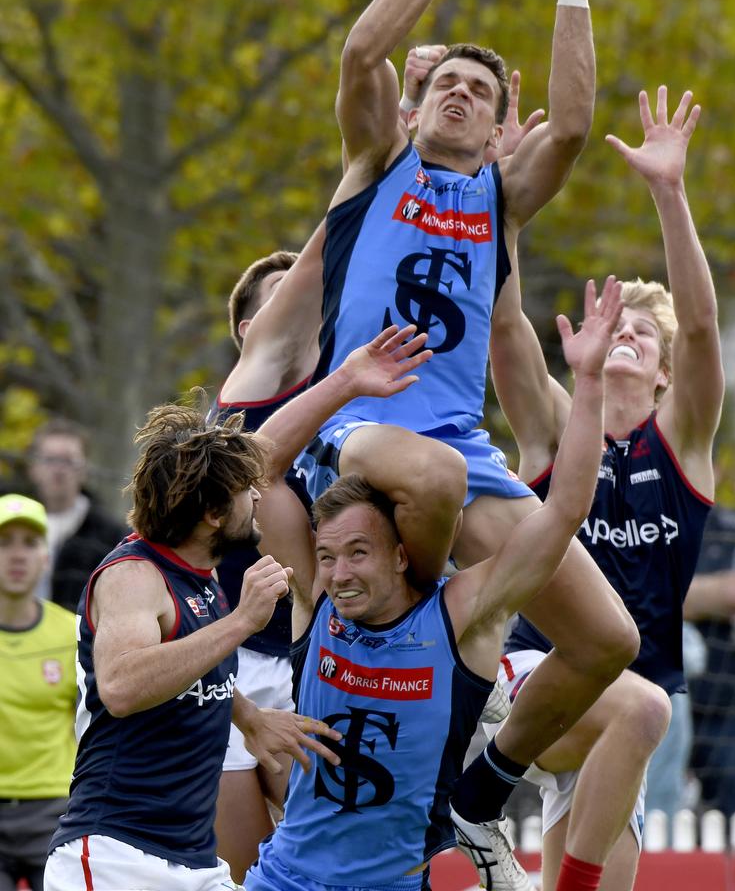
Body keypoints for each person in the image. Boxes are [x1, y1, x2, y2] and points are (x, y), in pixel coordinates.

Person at [292, 0, 643, 867]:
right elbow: (363, 52)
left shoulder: (498, 200)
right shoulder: (373, 165)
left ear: (496, 131)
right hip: (357, 431)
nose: (458, 89)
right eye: (443, 80)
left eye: (480, 90)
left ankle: (475, 792)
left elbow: (570, 128)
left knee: (608, 639)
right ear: (412, 109)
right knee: (436, 479)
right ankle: (423, 637)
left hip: (462, 453)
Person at [243, 275, 623, 891]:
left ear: (401, 555)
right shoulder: (315, 603)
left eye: (358, 553)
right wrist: (343, 380)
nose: (339, 574)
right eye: (328, 555)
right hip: (282, 880)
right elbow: (253, 469)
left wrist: (590, 380)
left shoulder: (462, 616)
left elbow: (564, 511)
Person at [44, 322, 429, 891]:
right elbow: (122, 686)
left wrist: (248, 716)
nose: (258, 496)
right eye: (244, 493)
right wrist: (243, 623)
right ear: (211, 513)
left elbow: (262, 455)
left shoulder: (199, 572)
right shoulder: (133, 576)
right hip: (116, 859)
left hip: (194, 864)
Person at [455, 86, 724, 891]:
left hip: (624, 722)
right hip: (528, 688)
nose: (628, 335)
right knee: (639, 706)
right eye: (618, 325)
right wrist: (494, 204)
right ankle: (479, 796)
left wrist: (668, 192)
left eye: (645, 332)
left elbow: (705, 328)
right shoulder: (556, 430)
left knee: (637, 729)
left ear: (666, 371)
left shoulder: (680, 444)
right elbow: (505, 331)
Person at [210, 243, 325, 880]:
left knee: (338, 850)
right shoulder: (240, 403)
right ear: (251, 332)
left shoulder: (355, 401)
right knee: (246, 868)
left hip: (315, 660)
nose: (302, 295)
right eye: (281, 293)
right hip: (234, 664)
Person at [0, 494, 76, 891]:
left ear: (45, 556)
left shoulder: (72, 633)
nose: (16, 555)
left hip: (52, 810)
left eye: (29, 543)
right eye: (4, 542)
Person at [685, 504, 735, 817]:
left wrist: (657, 598)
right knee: (653, 815)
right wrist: (707, 595)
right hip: (661, 695)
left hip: (725, 706)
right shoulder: (645, 518)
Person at [27, 418, 127, 611]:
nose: (58, 470)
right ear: (34, 467)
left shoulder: (111, 536)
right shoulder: (14, 526)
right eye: (50, 460)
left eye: (68, 461)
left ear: (85, 469)